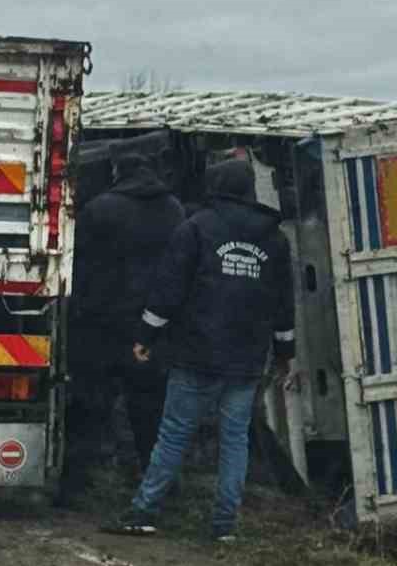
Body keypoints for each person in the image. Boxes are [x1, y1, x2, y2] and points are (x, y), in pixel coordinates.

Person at [112, 156, 296, 543]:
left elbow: (168, 290)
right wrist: (284, 354)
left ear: (215, 187)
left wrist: (146, 337)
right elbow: (282, 305)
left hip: (196, 353)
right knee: (235, 441)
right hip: (245, 360)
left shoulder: (196, 228)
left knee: (174, 434)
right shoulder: (274, 239)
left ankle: (145, 511)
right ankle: (225, 525)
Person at [60, 150, 184, 503]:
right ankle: (161, 488)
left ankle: (73, 488)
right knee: (151, 413)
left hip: (101, 327)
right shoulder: (173, 210)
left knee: (88, 408)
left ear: (117, 172)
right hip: (150, 329)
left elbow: (76, 264)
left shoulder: (99, 209)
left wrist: (79, 311)